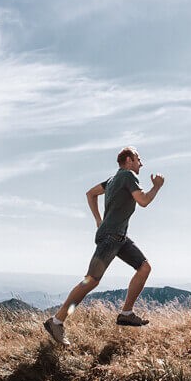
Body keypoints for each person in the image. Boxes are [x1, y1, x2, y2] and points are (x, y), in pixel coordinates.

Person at [44, 146, 165, 345]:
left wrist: (99, 221)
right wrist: (157, 186)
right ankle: (56, 321)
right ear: (128, 160)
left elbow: (90, 194)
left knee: (144, 267)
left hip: (118, 237)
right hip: (111, 237)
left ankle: (126, 313)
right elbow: (143, 201)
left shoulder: (111, 180)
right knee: (91, 281)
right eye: (138, 159)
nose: (141, 164)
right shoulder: (128, 176)